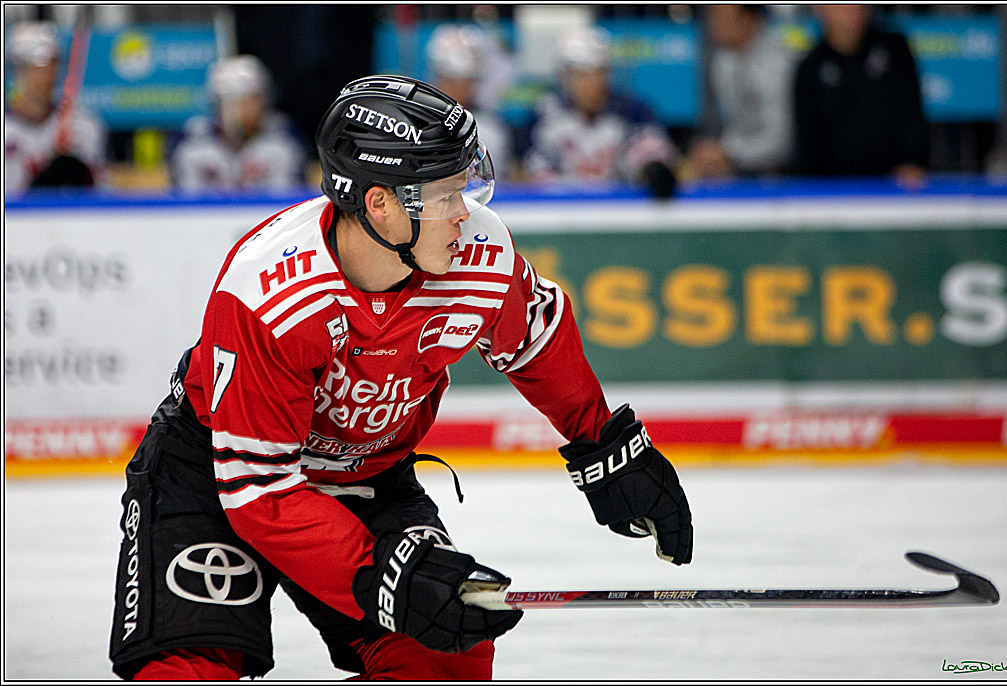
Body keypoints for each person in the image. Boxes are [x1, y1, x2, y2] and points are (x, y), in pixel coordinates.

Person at [108, 75, 694, 680]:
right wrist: (375, 573)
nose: (464, 213)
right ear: (381, 203)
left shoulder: (477, 253)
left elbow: (536, 337)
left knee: (447, 656)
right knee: (185, 671)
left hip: (369, 477)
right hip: (215, 472)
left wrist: (602, 442)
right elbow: (260, 490)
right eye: (444, 196)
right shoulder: (269, 292)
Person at [522, 26, 679, 198]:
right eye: (583, 75)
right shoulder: (545, 115)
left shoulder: (633, 112)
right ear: (565, 77)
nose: (593, 84)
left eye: (599, 73)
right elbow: (532, 173)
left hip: (623, 210)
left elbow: (652, 160)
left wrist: (651, 171)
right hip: (564, 212)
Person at [793, 4, 928, 186]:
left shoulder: (895, 49)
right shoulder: (810, 68)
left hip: (895, 186)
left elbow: (912, 116)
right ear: (820, 8)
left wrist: (913, 161)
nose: (854, 9)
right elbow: (806, 145)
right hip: (833, 191)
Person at [687, 5, 796, 179]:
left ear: (750, 19)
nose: (715, 23)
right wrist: (715, 153)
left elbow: (782, 142)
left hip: (785, 176)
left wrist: (727, 153)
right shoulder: (722, 60)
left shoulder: (778, 64)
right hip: (742, 170)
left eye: (723, 16)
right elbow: (731, 126)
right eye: (713, 16)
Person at [170, 54, 307, 191]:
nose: (245, 109)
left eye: (253, 99)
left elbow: (290, 199)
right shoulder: (190, 142)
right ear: (218, 103)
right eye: (235, 100)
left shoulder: (284, 139)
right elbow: (185, 202)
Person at [4, 20, 107, 194]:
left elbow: (101, 193)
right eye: (36, 68)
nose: (47, 75)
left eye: (53, 65)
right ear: (18, 70)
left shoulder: (84, 127)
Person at [426, 24, 514, 182]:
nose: (460, 88)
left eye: (467, 81)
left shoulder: (491, 128)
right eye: (451, 80)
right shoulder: (419, 126)